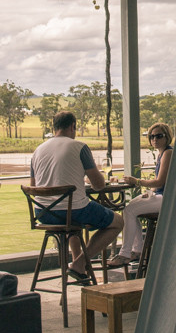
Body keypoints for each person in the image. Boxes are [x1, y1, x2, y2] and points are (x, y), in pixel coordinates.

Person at [30, 111, 123, 284]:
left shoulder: (38, 150)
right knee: (117, 222)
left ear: (54, 127)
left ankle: (78, 269)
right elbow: (99, 185)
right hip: (72, 211)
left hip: (42, 213)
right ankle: (79, 263)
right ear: (73, 126)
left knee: (73, 224)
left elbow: (34, 187)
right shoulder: (79, 147)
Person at [107, 122, 174, 268]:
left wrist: (137, 181)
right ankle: (136, 250)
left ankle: (127, 254)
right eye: (151, 136)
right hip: (161, 195)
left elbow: (160, 182)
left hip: (169, 199)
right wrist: (149, 193)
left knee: (129, 210)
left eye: (159, 136)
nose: (154, 139)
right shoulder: (162, 154)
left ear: (167, 137)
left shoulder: (168, 153)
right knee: (129, 209)